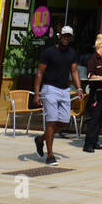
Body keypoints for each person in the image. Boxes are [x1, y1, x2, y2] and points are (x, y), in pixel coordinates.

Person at [33, 26, 84, 165]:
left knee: (63, 122)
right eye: (64, 35)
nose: (66, 38)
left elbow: (74, 72)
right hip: (50, 89)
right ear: (59, 36)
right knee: (51, 121)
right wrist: (37, 94)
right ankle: (50, 155)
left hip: (64, 90)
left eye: (68, 36)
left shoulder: (72, 53)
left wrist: (79, 88)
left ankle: (40, 140)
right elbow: (40, 73)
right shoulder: (49, 52)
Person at [82, 34, 102, 153]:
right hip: (97, 93)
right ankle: (88, 144)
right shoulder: (93, 59)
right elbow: (90, 75)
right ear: (101, 46)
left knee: (101, 117)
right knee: (94, 118)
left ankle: (95, 141)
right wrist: (99, 77)